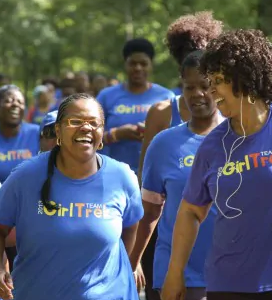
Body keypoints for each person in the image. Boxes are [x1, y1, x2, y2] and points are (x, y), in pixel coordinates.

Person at [162, 29, 272, 300]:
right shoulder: (213, 145)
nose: (211, 90)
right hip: (227, 285)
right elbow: (190, 210)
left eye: (219, 81)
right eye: (209, 81)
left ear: (245, 79)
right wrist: (174, 272)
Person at [0, 93, 144, 300]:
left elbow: (132, 226)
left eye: (94, 123)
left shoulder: (122, 176)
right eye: (75, 121)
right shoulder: (25, 177)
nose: (86, 128)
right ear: (58, 130)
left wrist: (130, 265)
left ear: (102, 131)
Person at [136, 12, 223, 300]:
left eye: (206, 85)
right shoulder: (164, 139)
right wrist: (132, 259)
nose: (198, 93)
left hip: (232, 269)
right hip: (177, 270)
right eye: (190, 86)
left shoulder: (240, 134)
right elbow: (149, 206)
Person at [97, 38, 174, 174]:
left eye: (143, 64)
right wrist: (116, 134)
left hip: (154, 177)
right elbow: (89, 137)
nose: (138, 68)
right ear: (125, 65)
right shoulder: (106, 96)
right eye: (133, 63)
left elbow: (179, 137)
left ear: (151, 65)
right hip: (112, 175)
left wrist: (152, 133)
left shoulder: (166, 97)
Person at [0, 84, 40, 272]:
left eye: (19, 101)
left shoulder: (37, 133)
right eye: (8, 100)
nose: (14, 105)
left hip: (30, 219)